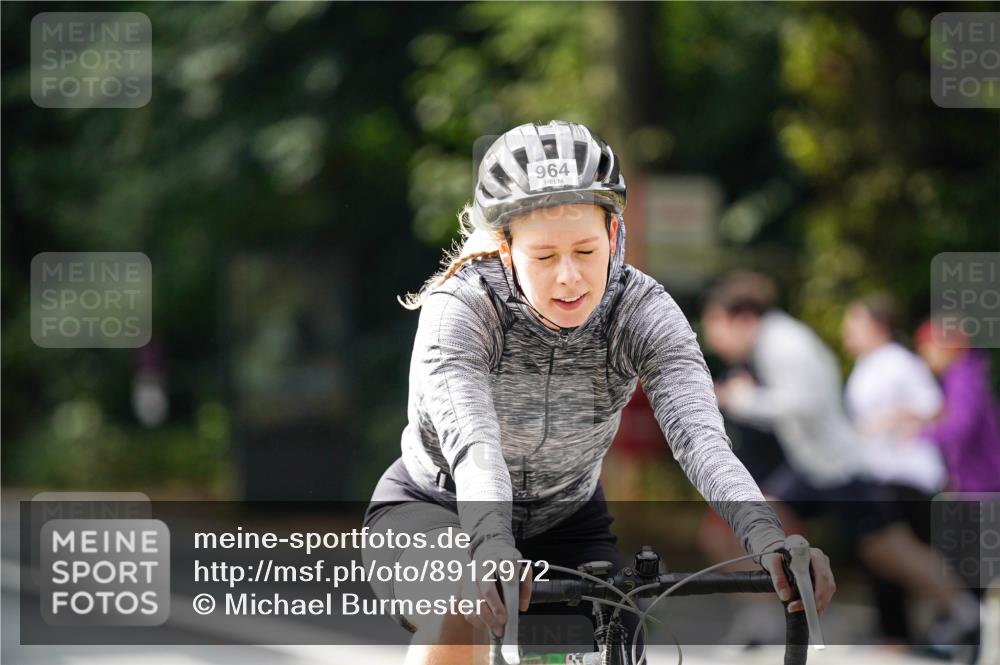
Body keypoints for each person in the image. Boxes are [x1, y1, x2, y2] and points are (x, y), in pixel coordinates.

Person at [360, 122, 835, 665]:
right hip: (435, 506)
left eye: (586, 250)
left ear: (613, 233)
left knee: (609, 644)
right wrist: (490, 546)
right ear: (506, 249)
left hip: (567, 517)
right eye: (544, 257)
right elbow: (474, 445)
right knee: (462, 604)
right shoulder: (463, 310)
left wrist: (768, 539)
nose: (569, 277)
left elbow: (702, 442)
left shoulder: (642, 312)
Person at [702, 272, 981, 649]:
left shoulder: (783, 343)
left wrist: (744, 400)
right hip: (815, 467)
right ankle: (765, 620)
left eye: (715, 325)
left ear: (743, 318)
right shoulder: (771, 343)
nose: (713, 340)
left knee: (890, 551)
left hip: (840, 469)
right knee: (741, 521)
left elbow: (806, 403)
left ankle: (965, 611)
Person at [842, 293, 947, 500]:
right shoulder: (862, 365)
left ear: (878, 326)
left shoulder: (900, 361)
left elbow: (936, 409)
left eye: (855, 320)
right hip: (875, 469)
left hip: (907, 472)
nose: (847, 328)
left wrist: (894, 417)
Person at [915, 320, 1000, 493]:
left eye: (927, 349)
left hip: (985, 482)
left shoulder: (962, 378)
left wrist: (919, 435)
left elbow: (960, 426)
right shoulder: (958, 377)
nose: (925, 358)